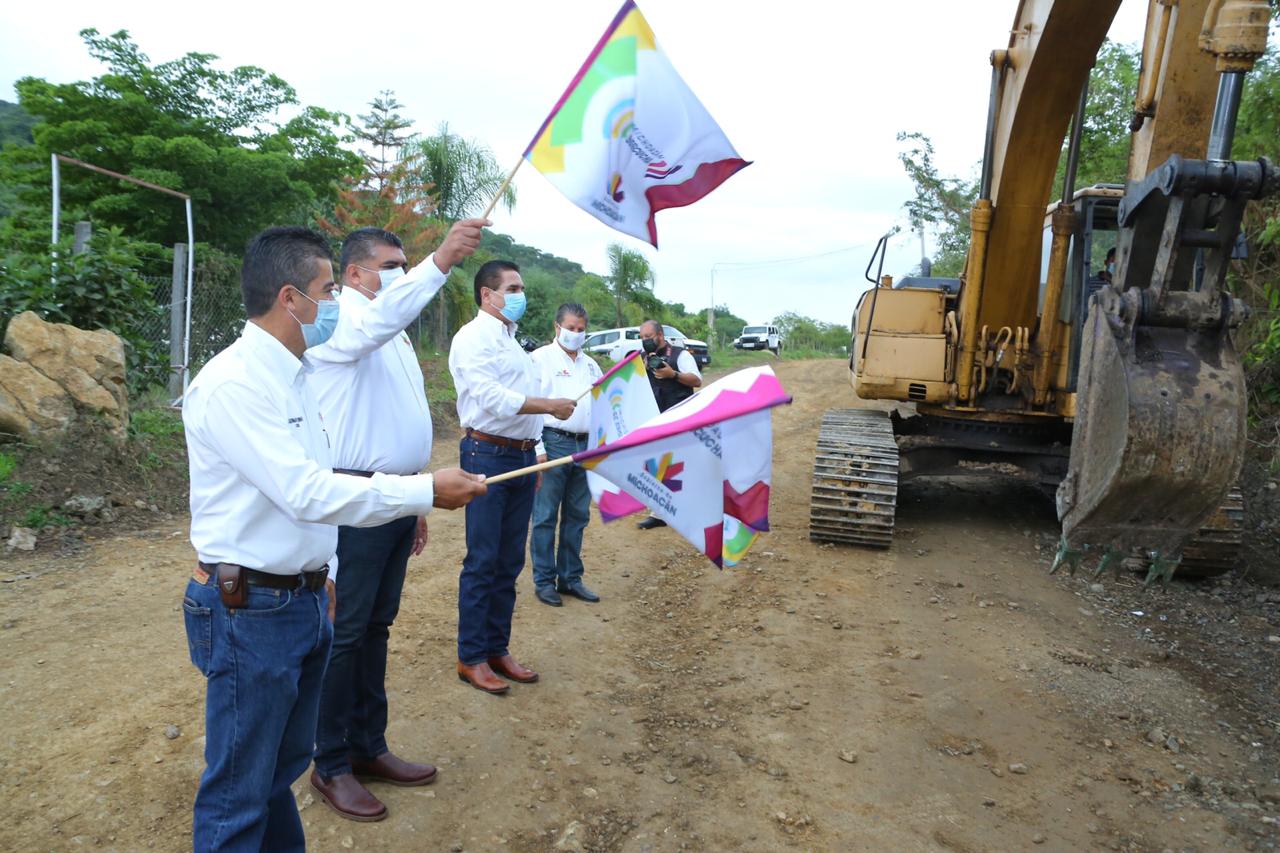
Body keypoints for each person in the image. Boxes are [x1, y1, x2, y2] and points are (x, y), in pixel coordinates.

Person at [181, 226, 486, 851]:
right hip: (250, 609)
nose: (337, 305)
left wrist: (327, 574)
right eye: (328, 291)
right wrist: (423, 491)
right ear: (290, 298)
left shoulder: (293, 376)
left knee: (276, 775)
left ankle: (357, 752)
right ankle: (337, 765)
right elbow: (306, 492)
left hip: (297, 596)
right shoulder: (235, 384)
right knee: (240, 792)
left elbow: (316, 487)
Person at [305, 220, 486, 821]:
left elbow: (393, 416)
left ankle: (367, 745)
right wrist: (440, 260)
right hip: (356, 501)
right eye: (390, 267)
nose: (399, 276)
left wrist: (416, 498)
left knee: (376, 628)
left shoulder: (392, 330)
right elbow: (379, 321)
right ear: (353, 274)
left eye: (404, 266)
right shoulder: (343, 320)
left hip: (396, 499)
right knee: (345, 634)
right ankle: (330, 762)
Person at [448, 260, 577, 693]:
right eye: (513, 288)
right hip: (486, 454)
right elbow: (491, 398)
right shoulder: (472, 338)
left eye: (521, 287)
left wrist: (536, 446)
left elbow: (522, 404)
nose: (521, 295)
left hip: (521, 457)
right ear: (488, 295)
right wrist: (549, 406)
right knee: (483, 559)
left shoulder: (512, 341)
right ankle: (471, 656)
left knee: (508, 561)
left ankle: (497, 648)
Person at [529, 303, 603, 607]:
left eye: (581, 329)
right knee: (545, 515)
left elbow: (602, 403)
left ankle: (570, 577)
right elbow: (530, 406)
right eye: (570, 328)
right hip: (553, 442)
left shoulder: (591, 366)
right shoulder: (539, 360)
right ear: (556, 327)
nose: (575, 333)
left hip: (585, 446)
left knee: (578, 515)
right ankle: (544, 580)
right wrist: (537, 449)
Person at [636, 319, 701, 530]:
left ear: (661, 336)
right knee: (656, 464)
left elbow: (696, 380)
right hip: (654, 419)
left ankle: (691, 510)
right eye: (642, 338)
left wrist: (673, 374)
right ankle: (659, 512)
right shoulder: (642, 358)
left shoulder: (680, 355)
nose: (645, 341)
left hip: (680, 418)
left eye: (648, 337)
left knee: (683, 464)